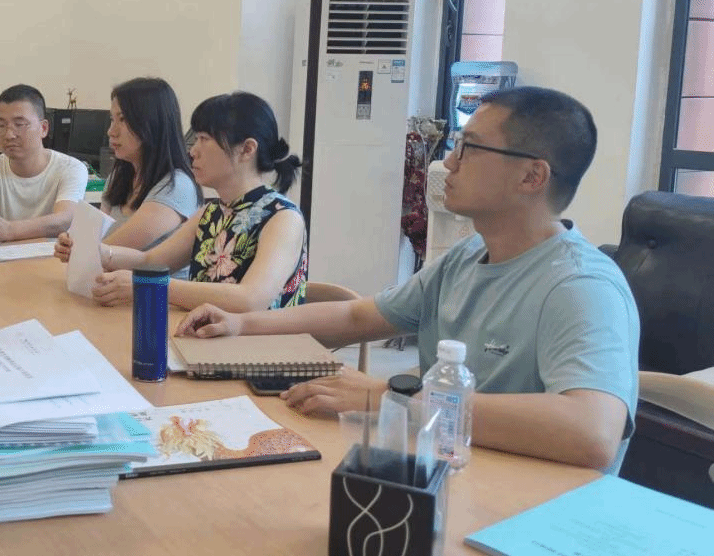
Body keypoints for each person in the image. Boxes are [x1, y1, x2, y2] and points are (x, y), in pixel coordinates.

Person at [175, 87, 639, 473]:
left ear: (532, 176)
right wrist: (242, 324)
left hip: (526, 508)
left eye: (470, 148)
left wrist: (395, 398)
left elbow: (592, 430)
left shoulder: (581, 287)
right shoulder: (467, 256)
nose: (450, 162)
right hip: (449, 473)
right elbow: (358, 317)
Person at [88, 91, 307, 312]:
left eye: (204, 139)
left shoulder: (283, 218)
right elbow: (150, 260)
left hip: (254, 336)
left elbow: (250, 299)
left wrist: (146, 284)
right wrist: (100, 252)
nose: (193, 151)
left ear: (247, 149)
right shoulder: (211, 212)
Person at [54, 77, 201, 261]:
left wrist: (80, 248)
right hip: (106, 276)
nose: (111, 131)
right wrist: (70, 241)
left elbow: (111, 247)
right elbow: (96, 236)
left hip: (146, 281)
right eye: (112, 119)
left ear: (153, 123)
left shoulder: (177, 186)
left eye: (122, 119)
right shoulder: (120, 175)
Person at [0, 84, 88, 241]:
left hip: (50, 255)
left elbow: (65, 219)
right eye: (1, 125)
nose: (9, 135)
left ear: (43, 128)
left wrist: (9, 230)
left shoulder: (71, 168)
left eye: (19, 125)